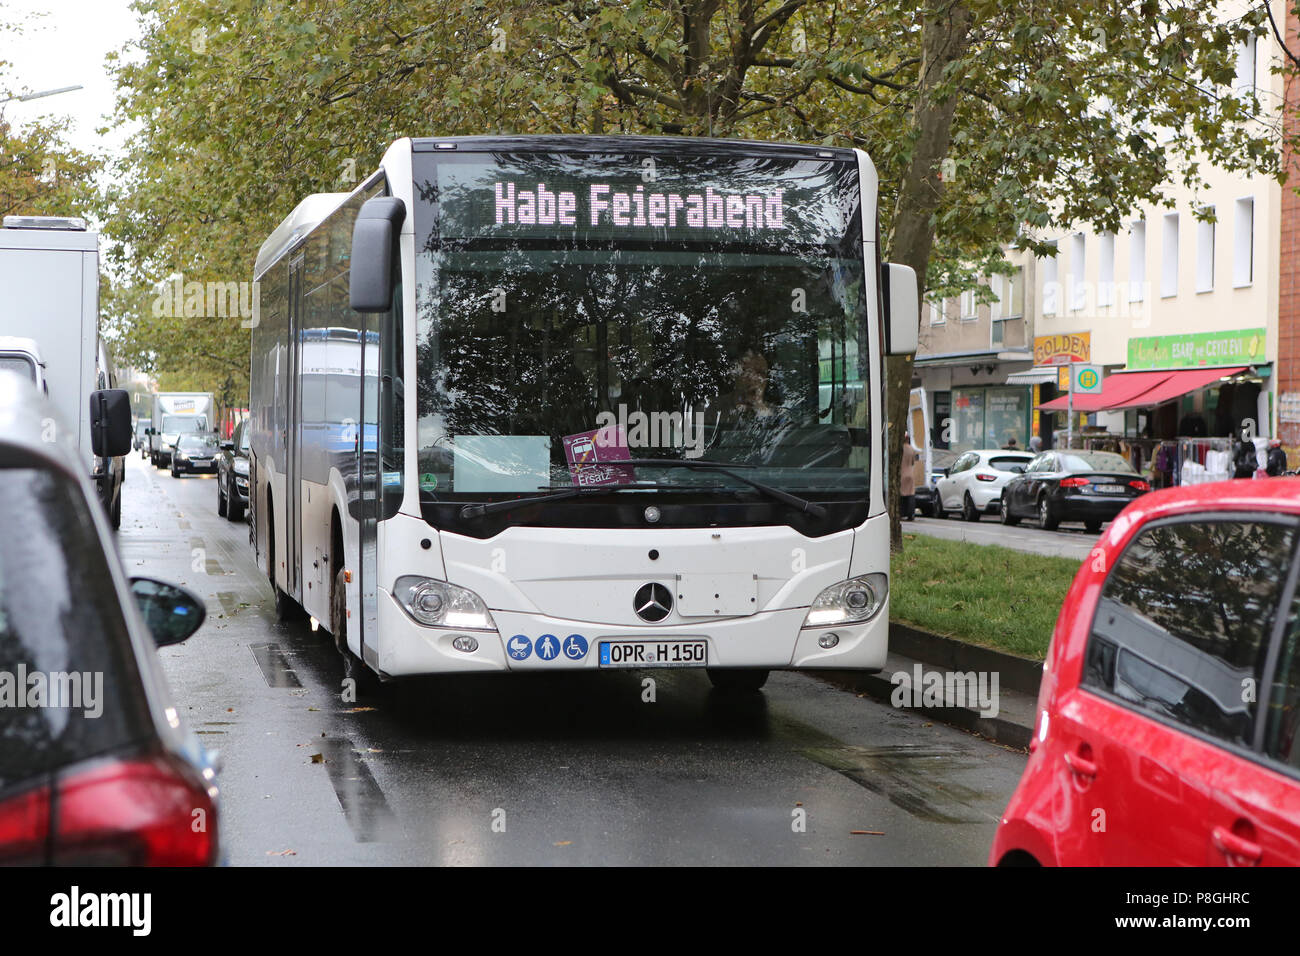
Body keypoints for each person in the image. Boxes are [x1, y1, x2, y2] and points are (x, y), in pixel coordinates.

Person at [900, 431, 919, 520]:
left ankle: (901, 512)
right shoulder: (911, 449)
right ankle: (911, 513)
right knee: (910, 494)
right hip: (910, 473)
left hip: (901, 473)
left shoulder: (900, 448)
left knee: (901, 494)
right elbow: (912, 462)